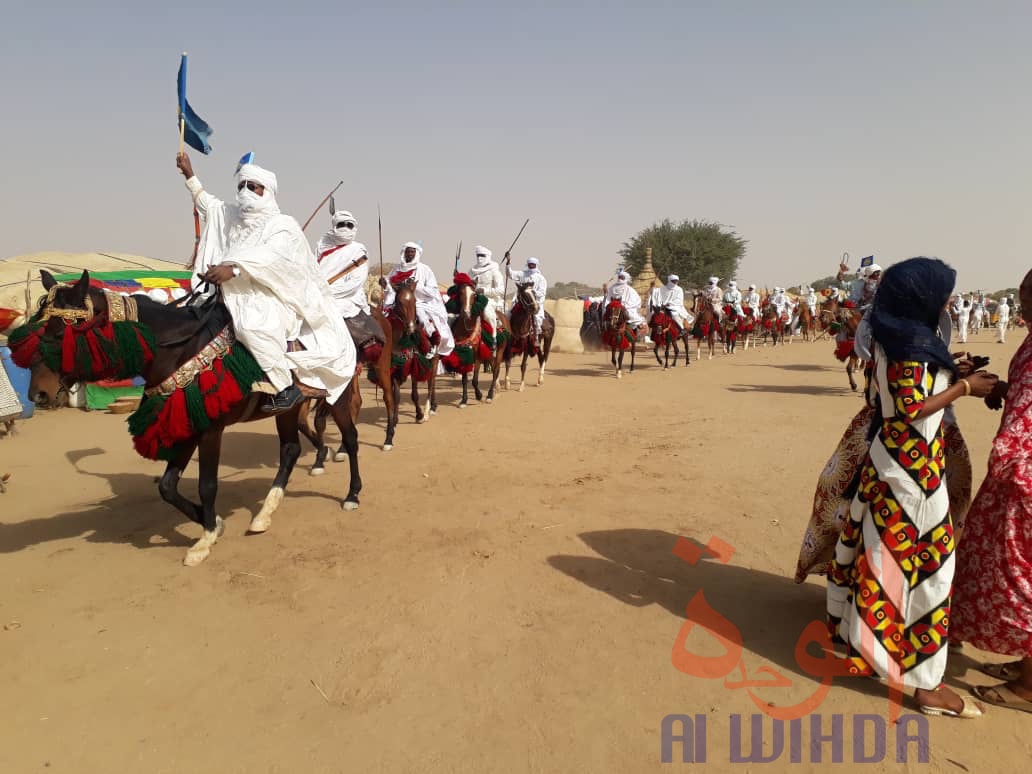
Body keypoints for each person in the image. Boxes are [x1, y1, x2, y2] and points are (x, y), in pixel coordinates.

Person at [826, 256, 998, 718]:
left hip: (893, 466)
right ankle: (925, 686)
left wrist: (952, 371)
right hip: (912, 475)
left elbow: (914, 386)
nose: (946, 300)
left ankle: (866, 644)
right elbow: (910, 408)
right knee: (930, 574)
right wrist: (964, 388)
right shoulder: (908, 345)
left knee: (883, 561)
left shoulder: (898, 336)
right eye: (941, 292)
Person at [175, 151, 355, 412]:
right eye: (241, 185)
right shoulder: (232, 215)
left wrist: (234, 269)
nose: (245, 190)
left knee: (251, 327)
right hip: (230, 289)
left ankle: (285, 387)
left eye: (253, 186)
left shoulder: (282, 224)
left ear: (266, 191)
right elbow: (208, 205)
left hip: (269, 293)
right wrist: (190, 174)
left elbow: (271, 258)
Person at [951, 268, 1032, 713]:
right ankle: (1026, 666)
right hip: (1019, 474)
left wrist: (1006, 463)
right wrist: (998, 386)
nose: (1023, 307)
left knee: (1020, 576)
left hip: (1023, 481)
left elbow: (1026, 419)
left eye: (1028, 299)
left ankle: (1028, 688)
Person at [316, 208, 384, 361]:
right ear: (334, 226)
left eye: (349, 225)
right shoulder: (322, 246)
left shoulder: (357, 250)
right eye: (341, 224)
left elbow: (355, 282)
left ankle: (356, 356)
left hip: (346, 296)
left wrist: (327, 292)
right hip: (317, 291)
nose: (345, 228)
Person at [381, 243, 454, 358]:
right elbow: (390, 285)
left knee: (423, 319)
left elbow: (433, 290)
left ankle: (430, 346)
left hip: (418, 302)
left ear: (416, 253)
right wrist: (385, 284)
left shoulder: (425, 269)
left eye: (412, 252)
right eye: (407, 251)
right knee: (382, 318)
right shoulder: (397, 269)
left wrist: (416, 287)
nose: (409, 254)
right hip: (398, 302)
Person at [506, 255, 548, 346]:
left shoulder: (541, 278)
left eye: (533, 264)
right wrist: (508, 262)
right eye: (530, 264)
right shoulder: (522, 274)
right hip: (521, 302)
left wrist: (531, 292)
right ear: (527, 264)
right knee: (508, 314)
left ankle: (536, 337)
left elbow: (542, 292)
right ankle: (508, 335)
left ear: (536, 265)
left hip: (534, 303)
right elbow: (510, 274)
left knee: (537, 319)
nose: (531, 266)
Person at [469, 246, 505, 350]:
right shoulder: (472, 270)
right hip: (473, 298)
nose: (479, 258)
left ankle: (493, 337)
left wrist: (485, 291)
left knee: (486, 311)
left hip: (489, 299)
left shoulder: (494, 270)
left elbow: (501, 290)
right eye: (478, 255)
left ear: (488, 256)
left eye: (482, 255)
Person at [603, 270, 646, 335]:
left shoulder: (629, 289)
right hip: (613, 306)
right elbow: (608, 296)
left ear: (625, 278)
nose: (620, 279)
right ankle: (603, 327)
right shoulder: (612, 287)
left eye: (622, 277)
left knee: (630, 314)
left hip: (624, 306)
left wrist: (624, 305)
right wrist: (605, 290)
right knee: (605, 313)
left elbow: (634, 300)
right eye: (619, 277)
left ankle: (637, 326)